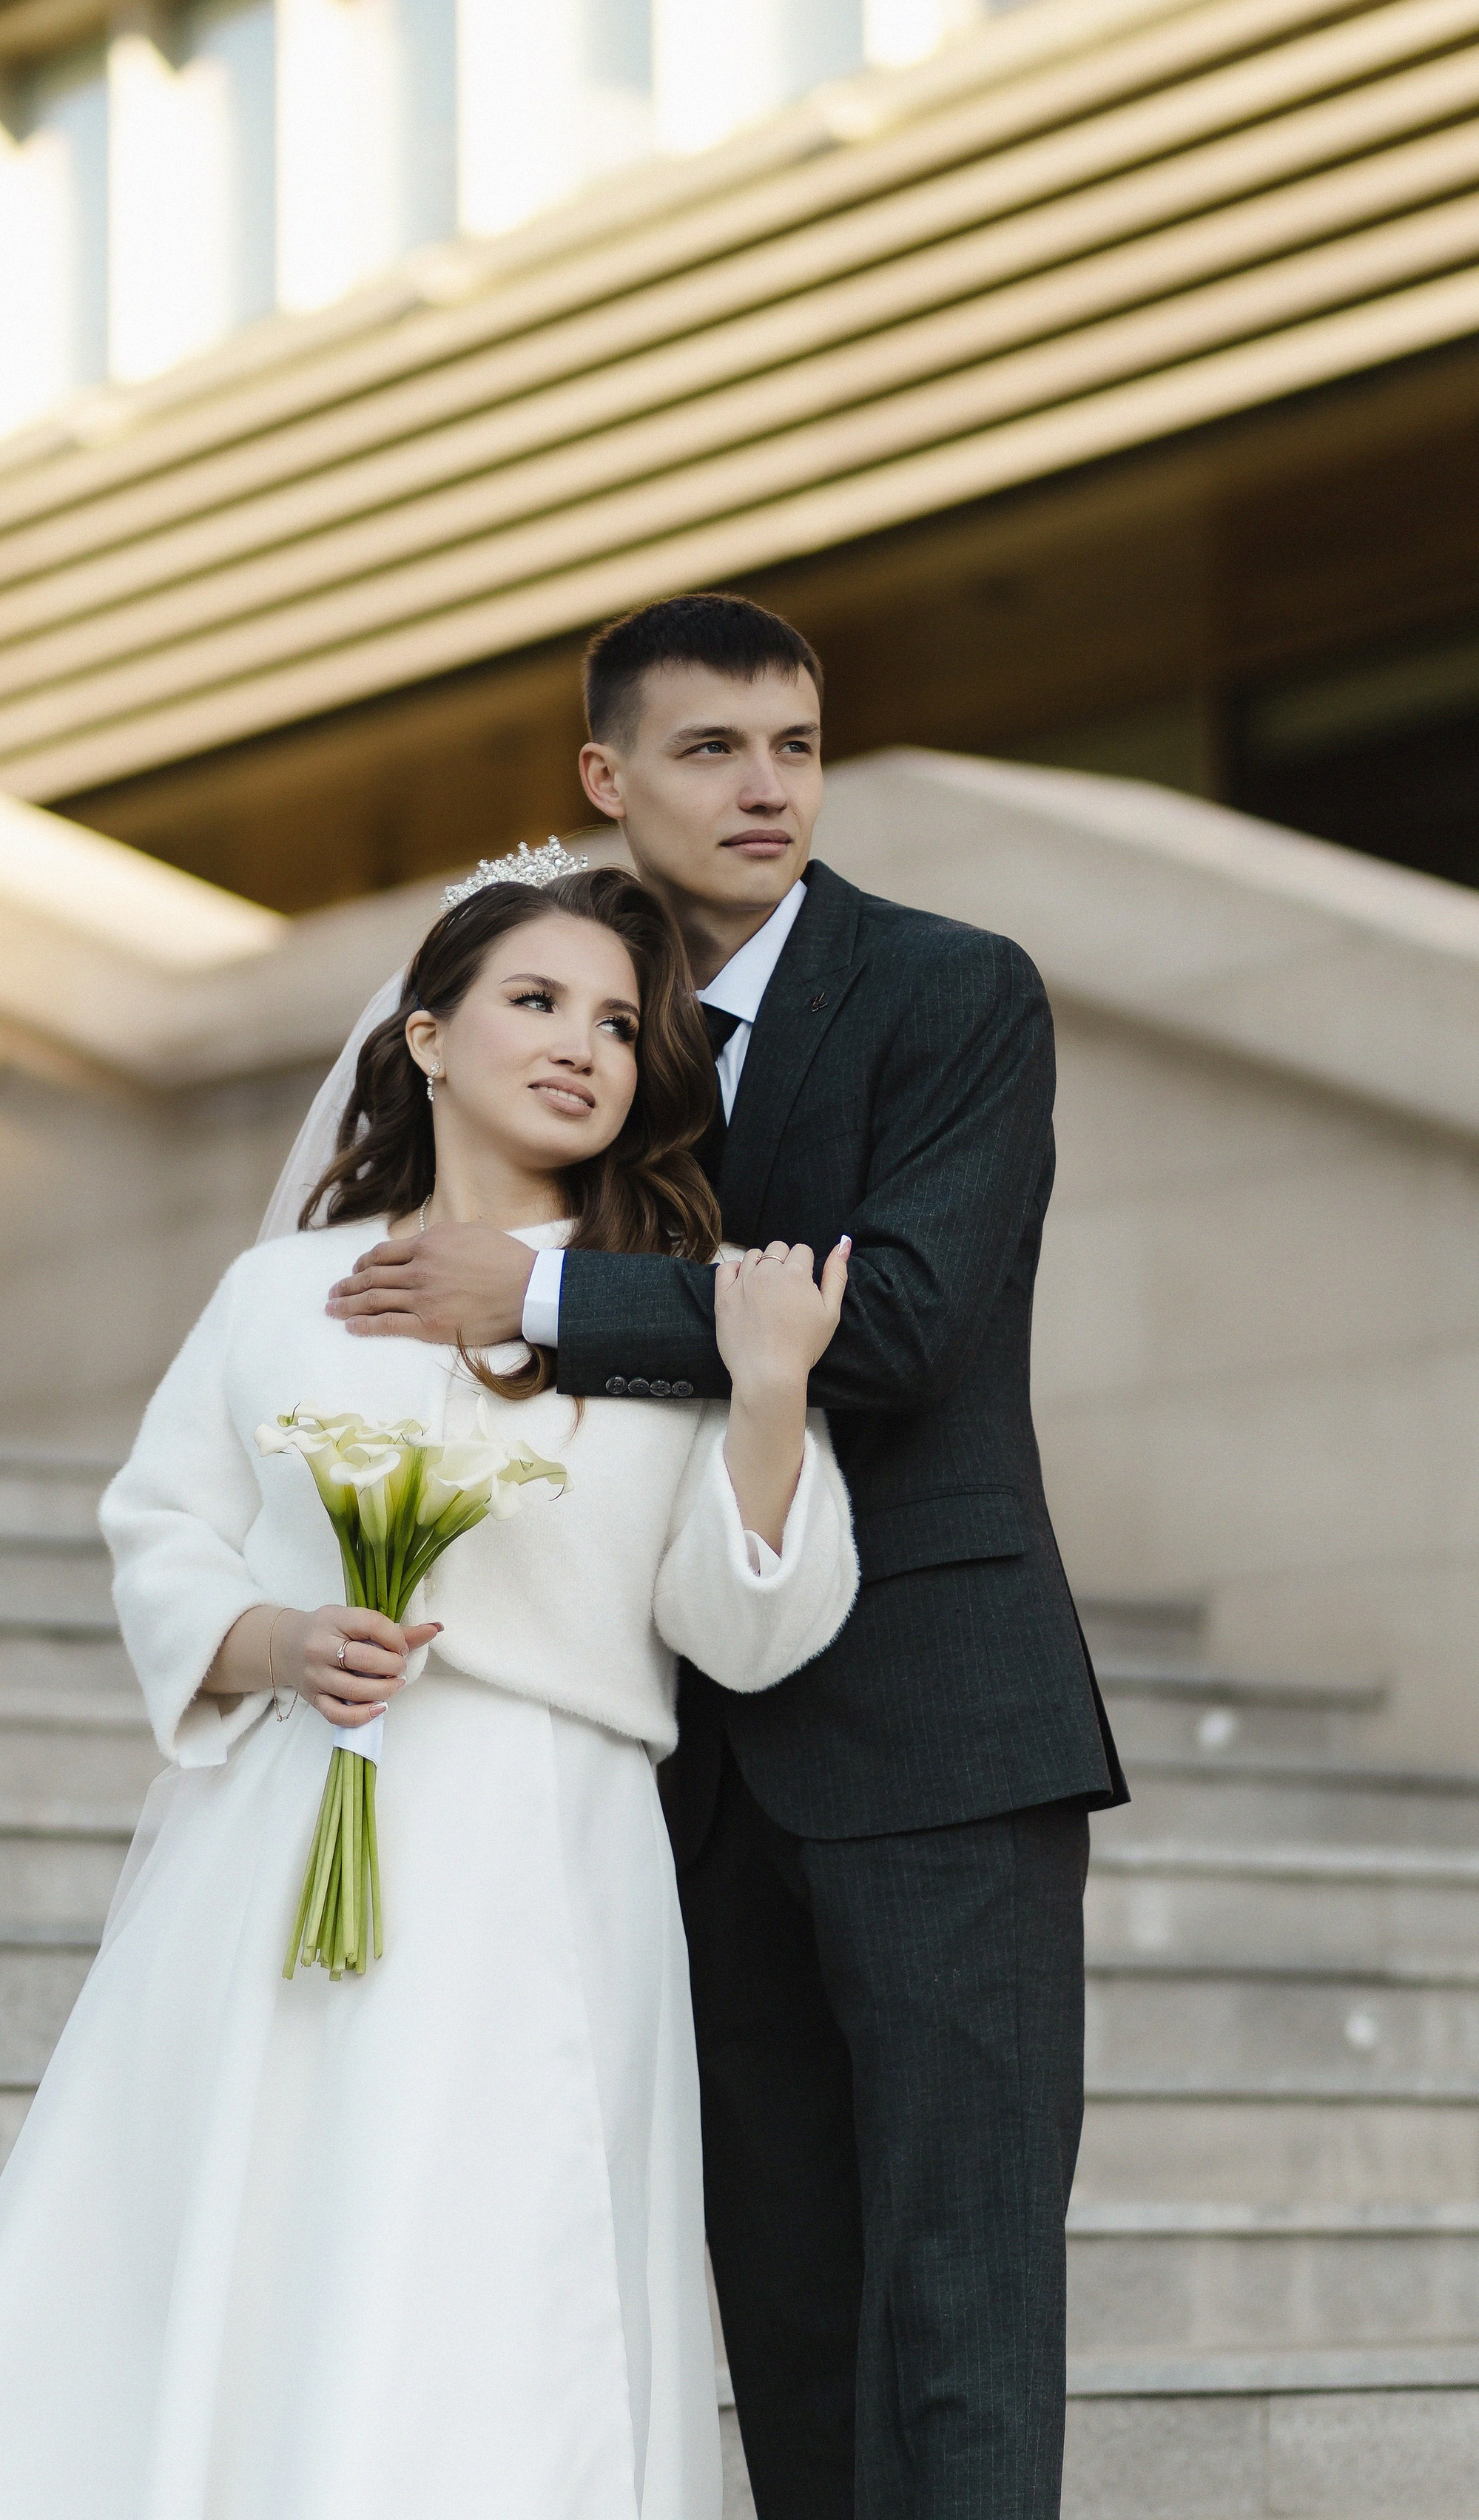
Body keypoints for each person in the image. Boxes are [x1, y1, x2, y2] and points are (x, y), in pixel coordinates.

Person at [0, 865, 858, 2520]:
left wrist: (764, 1399)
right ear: (425, 1036)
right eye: (534, 1003)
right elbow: (162, 1526)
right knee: (254, 2225)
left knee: (491, 2262)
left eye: (618, 1021)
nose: (582, 1047)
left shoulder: (657, 1304)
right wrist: (273, 1643)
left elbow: (743, 1629)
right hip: (276, 1834)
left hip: (547, 1849)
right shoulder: (279, 1293)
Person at [323, 594, 1128, 2520]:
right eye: (711, 750)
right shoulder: (588, 1028)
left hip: (938, 1735)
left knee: (961, 2300)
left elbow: (908, 1321)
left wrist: (537, 1290)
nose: (767, 788)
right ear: (607, 779)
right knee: (779, 2307)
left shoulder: (955, 993)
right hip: (675, 1756)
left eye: (795, 744)